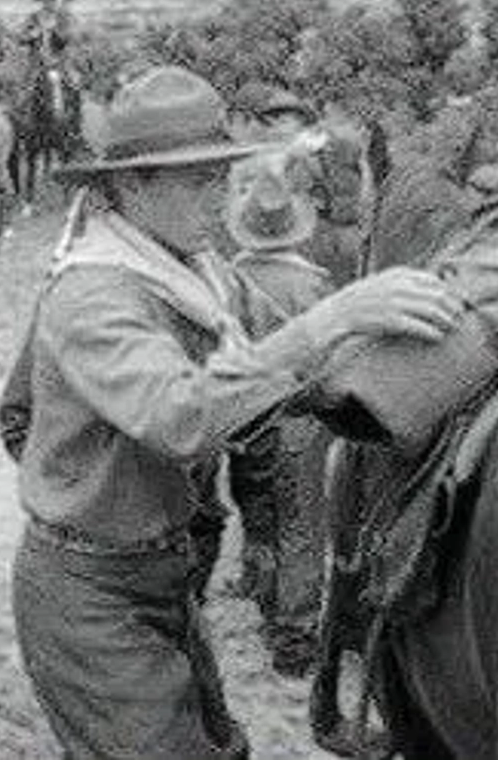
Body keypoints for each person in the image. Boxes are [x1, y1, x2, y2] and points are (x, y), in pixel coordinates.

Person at [0, 65, 459, 759]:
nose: (220, 196)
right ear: (129, 186)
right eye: (197, 180)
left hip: (160, 571)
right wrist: (331, 316)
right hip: (91, 589)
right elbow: (180, 416)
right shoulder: (94, 295)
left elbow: (280, 362)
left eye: (221, 174)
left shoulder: (199, 273)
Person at [221, 150, 337, 677]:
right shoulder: (314, 283)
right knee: (301, 528)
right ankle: (293, 637)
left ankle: (261, 592)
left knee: (259, 515)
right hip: (297, 420)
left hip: (247, 414)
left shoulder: (229, 279)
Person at [20, 0, 73, 65]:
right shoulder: (34, 17)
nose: (50, 2)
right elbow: (25, 36)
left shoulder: (62, 17)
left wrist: (57, 35)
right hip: (39, 60)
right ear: (42, 0)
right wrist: (32, 36)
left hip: (59, 59)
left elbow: (68, 39)